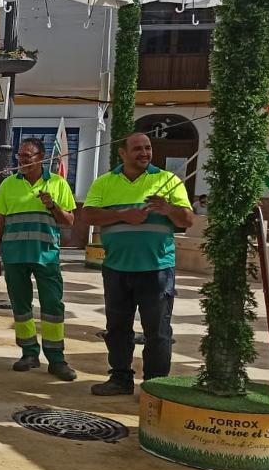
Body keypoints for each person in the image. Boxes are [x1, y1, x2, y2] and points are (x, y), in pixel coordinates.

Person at [82, 133, 193, 396]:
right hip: (117, 268)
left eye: (148, 148)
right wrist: (123, 215)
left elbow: (187, 219)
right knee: (118, 327)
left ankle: (155, 385)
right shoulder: (105, 183)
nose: (144, 153)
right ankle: (120, 378)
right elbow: (87, 215)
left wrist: (168, 209)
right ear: (123, 153)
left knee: (157, 330)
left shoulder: (167, 180)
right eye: (138, 149)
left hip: (157, 269)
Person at [0, 138, 78, 381]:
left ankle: (56, 359)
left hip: (46, 256)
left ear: (41, 157)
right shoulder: (8, 185)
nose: (22, 160)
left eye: (28, 156)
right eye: (20, 156)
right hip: (14, 257)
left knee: (53, 307)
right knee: (21, 307)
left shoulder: (57, 184)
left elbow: (69, 221)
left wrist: (53, 206)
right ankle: (29, 353)